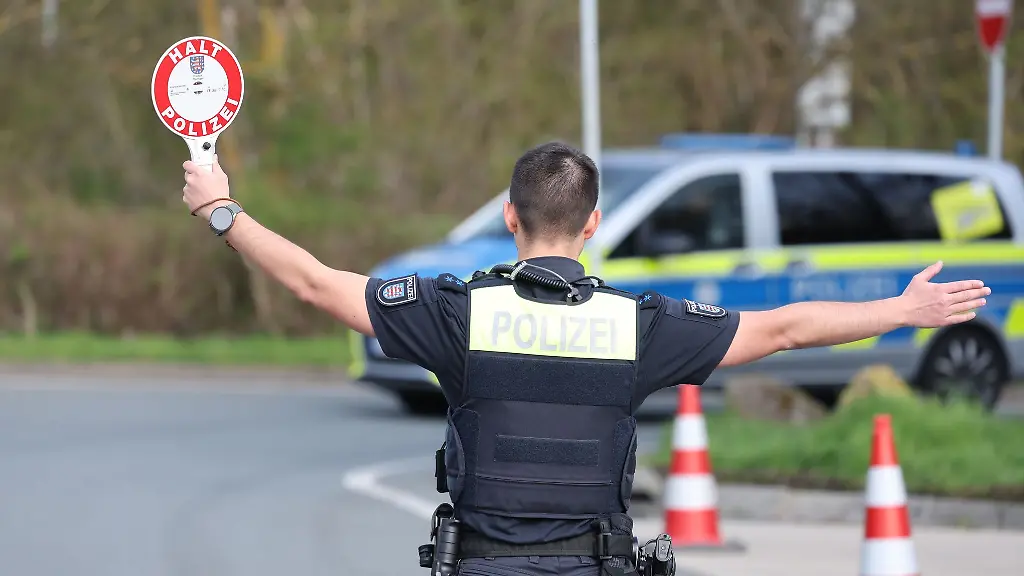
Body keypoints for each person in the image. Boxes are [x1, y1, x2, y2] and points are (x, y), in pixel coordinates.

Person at [181, 142, 990, 576]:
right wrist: (900, 311)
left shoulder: (461, 314)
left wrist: (221, 208)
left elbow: (316, 283)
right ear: (594, 222)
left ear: (509, 216)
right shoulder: (634, 326)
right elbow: (782, 329)